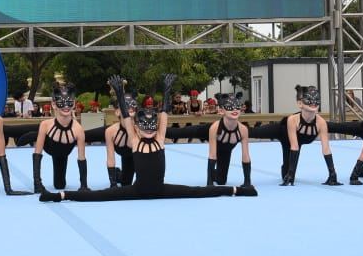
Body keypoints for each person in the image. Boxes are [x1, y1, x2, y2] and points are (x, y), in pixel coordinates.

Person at [40, 74, 256, 202]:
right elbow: (126, 117)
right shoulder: (134, 139)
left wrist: (167, 89)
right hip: (136, 190)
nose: (150, 128)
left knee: (199, 192)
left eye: (153, 125)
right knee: (100, 196)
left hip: (161, 190)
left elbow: (164, 115)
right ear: (137, 127)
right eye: (145, 125)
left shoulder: (160, 137)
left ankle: (238, 190)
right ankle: (60, 196)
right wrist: (118, 92)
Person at [251, 85, 339, 186]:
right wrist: (291, 174)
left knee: (286, 173)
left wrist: (332, 173)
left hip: (298, 140)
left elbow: (326, 149)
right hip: (282, 131)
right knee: (255, 132)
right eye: (309, 99)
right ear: (300, 103)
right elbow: (294, 146)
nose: (313, 103)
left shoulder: (321, 123)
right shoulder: (293, 119)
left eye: (316, 99)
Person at [30, 82, 88, 193]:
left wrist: (83, 185)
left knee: (60, 185)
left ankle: (33, 135)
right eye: (61, 102)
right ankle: (32, 136)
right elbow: (38, 153)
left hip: (64, 152)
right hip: (50, 144)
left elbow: (81, 157)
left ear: (74, 103)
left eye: (69, 102)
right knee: (29, 133)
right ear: (54, 104)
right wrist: (37, 183)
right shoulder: (45, 125)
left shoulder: (78, 129)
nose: (66, 106)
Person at [206, 92, 253, 187]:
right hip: (210, 131)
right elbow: (212, 154)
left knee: (221, 181)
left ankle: (215, 174)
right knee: (186, 131)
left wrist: (247, 182)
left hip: (226, 149)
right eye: (230, 107)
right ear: (222, 110)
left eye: (237, 107)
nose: (234, 110)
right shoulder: (214, 127)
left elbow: (246, 155)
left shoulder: (243, 129)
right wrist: (209, 183)